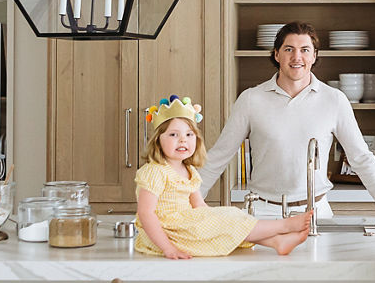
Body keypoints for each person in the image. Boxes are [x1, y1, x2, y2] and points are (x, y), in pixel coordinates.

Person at [200, 21, 375, 219]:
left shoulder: (334, 99)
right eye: (289, 49)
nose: (297, 57)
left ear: (314, 55)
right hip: (262, 212)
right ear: (276, 54)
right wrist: (187, 203)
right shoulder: (251, 99)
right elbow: (219, 156)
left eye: (304, 50)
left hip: (315, 211)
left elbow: (361, 158)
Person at [133, 94, 313, 259]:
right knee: (225, 220)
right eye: (173, 135)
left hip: (186, 226)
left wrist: (216, 219)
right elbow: (146, 213)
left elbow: (199, 205)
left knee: (231, 216)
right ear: (157, 140)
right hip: (167, 232)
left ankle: (276, 242)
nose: (183, 140)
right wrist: (168, 248)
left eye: (189, 135)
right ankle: (284, 226)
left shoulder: (189, 171)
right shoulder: (155, 172)